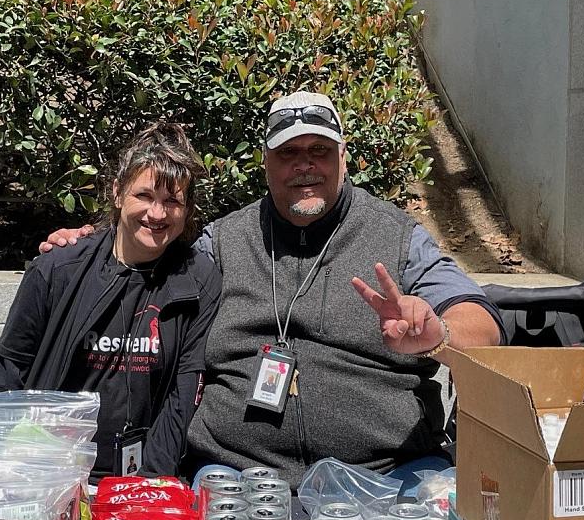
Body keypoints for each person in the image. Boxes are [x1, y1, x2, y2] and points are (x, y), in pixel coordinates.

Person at [41, 92, 502, 490]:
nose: (305, 165)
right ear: (266, 164)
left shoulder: (398, 237)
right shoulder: (223, 241)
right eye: (288, 153)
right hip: (234, 473)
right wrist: (88, 249)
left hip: (386, 476)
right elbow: (145, 263)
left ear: (344, 158)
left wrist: (436, 334)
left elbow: (483, 326)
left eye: (319, 150)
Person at [0, 123, 221, 482]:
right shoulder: (59, 269)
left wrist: (146, 486)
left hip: (141, 476)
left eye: (172, 201)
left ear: (186, 210)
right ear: (117, 193)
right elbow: (8, 375)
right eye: (144, 196)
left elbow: (182, 397)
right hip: (48, 470)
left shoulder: (198, 281)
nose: (157, 214)